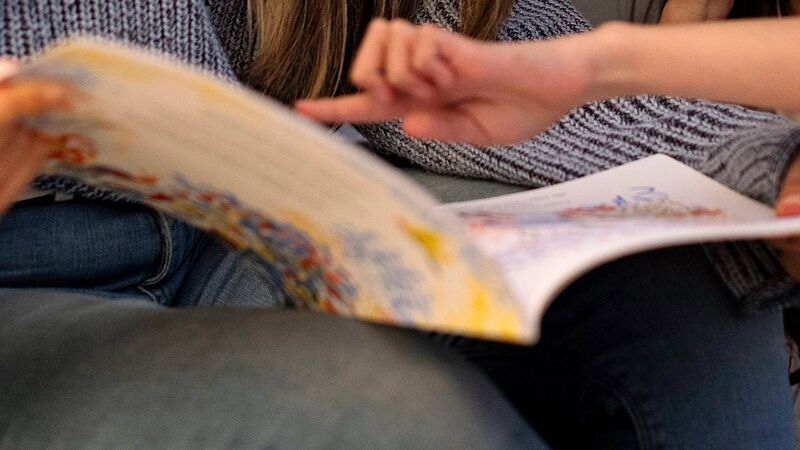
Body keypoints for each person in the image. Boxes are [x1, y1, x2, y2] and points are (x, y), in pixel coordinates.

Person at [1, 0, 798, 447]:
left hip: (240, 215)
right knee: (390, 412)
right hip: (27, 260)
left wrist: (761, 162)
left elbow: (437, 38)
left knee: (689, 297)